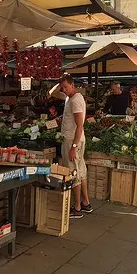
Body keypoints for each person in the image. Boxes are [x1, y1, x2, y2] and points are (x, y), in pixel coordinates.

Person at [59, 74, 92, 219]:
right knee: (81, 172)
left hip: (73, 140)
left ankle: (77, 207)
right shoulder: (70, 98)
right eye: (62, 88)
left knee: (74, 174)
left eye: (66, 87)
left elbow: (80, 125)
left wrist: (73, 146)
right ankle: (86, 203)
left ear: (73, 85)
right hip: (74, 139)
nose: (64, 90)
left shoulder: (76, 100)